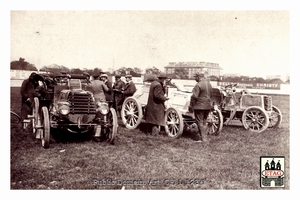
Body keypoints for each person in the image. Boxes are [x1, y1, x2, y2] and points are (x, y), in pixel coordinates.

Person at [189, 72, 212, 142]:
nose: (195, 79)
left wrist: (191, 105)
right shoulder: (209, 84)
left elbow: (194, 96)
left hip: (199, 106)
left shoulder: (198, 85)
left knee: (199, 122)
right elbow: (211, 95)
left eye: (195, 77)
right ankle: (204, 137)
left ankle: (203, 139)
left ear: (198, 77)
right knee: (204, 121)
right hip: (208, 106)